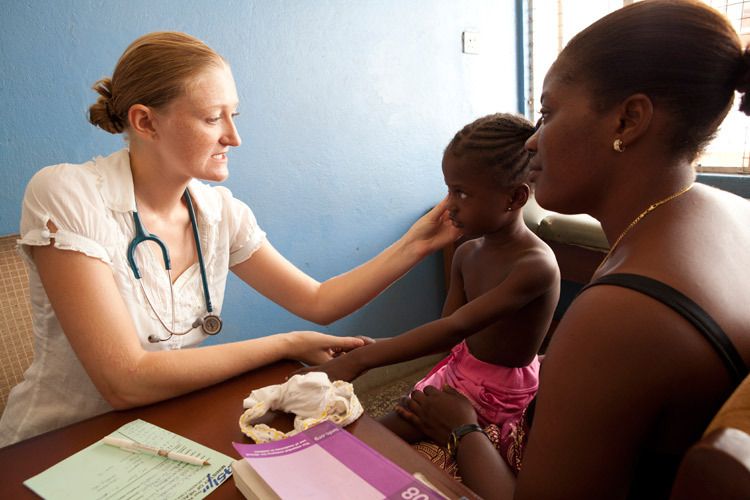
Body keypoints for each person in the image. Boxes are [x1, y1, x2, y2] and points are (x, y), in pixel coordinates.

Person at [0, 31, 461, 447]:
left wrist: (417, 243)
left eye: (233, 115)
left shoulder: (219, 213)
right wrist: (284, 344)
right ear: (145, 122)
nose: (234, 137)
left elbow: (320, 300)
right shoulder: (67, 194)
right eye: (211, 118)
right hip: (53, 446)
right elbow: (126, 379)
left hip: (162, 429)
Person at [394, 1, 750, 498]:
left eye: (548, 112)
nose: (534, 142)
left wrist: (462, 427)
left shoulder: (619, 314)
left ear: (628, 121)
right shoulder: (730, 212)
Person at [301, 113, 560, 445]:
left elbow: (456, 328)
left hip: (497, 390)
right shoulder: (467, 253)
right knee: (376, 428)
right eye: (449, 190)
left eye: (462, 194)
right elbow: (446, 334)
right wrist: (372, 346)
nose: (449, 206)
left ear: (514, 198)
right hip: (460, 369)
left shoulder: (534, 266)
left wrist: (360, 361)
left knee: (372, 440)